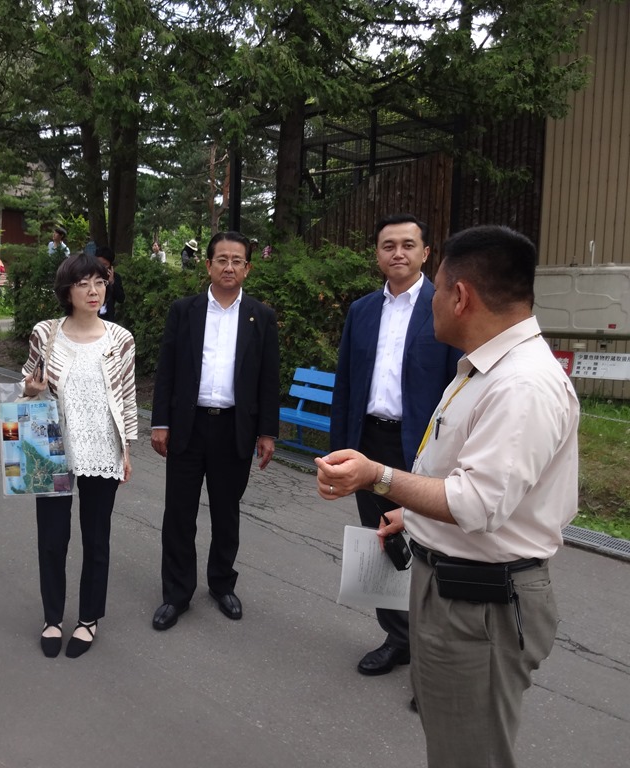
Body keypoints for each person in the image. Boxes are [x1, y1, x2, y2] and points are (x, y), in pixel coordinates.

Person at [316, 225, 579, 768]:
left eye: (436, 289)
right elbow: (463, 473)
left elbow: (476, 502)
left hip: (479, 604)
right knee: (453, 746)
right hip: (458, 590)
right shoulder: (484, 366)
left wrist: (378, 477)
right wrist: (413, 516)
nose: (430, 301)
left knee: (469, 754)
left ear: (460, 297)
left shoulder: (521, 385)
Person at [330, 214, 461, 677]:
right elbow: (346, 383)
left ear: (426, 253)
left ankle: (435, 656)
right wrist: (339, 452)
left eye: (408, 244)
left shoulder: (444, 306)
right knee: (384, 542)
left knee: (434, 549)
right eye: (389, 245)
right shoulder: (362, 310)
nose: (398, 253)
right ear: (377, 254)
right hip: (370, 442)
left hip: (424, 447)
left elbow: (459, 384)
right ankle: (398, 638)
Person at [150, 231, 280, 631]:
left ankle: (222, 583)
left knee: (226, 513)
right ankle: (176, 593)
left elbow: (268, 378)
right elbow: (167, 369)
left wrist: (267, 432)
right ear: (207, 265)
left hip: (234, 428)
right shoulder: (184, 311)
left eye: (237, 260)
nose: (229, 267)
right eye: (221, 259)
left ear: (248, 268)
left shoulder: (261, 316)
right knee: (179, 514)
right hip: (188, 426)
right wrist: (160, 422)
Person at [21, 252, 137, 658]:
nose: (93, 290)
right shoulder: (45, 332)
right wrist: (31, 388)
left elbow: (127, 398)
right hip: (50, 447)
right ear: (66, 290)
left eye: (100, 282)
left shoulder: (121, 339)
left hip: (103, 447)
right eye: (83, 283)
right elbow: (26, 383)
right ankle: (52, 618)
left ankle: (88, 619)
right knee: (52, 539)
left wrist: (127, 448)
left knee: (96, 537)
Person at [95, 246, 124, 323]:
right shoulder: (90, 276)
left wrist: (112, 283)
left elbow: (121, 299)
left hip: (107, 318)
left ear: (110, 265)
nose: (101, 267)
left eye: (105, 265)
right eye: (99, 263)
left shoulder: (115, 277)